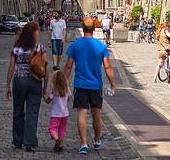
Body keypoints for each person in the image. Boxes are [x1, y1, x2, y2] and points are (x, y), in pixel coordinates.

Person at [64, 17, 116, 155]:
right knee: (96, 114)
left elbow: (68, 66)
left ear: (82, 27)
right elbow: (107, 67)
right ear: (94, 28)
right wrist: (112, 84)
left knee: (82, 113)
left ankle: (83, 143)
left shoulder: (75, 45)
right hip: (96, 85)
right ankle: (97, 140)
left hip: (80, 84)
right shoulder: (101, 46)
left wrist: (64, 82)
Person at [6, 21, 49, 151]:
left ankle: (18, 141)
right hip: (35, 82)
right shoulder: (40, 48)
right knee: (32, 112)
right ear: (34, 33)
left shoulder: (16, 47)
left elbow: (11, 67)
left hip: (19, 81)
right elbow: (45, 69)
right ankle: (29, 143)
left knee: (18, 111)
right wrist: (44, 88)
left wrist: (8, 85)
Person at [43, 70, 71, 152]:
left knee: (51, 128)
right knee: (62, 129)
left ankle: (57, 140)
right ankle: (60, 143)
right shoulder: (67, 89)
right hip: (65, 114)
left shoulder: (54, 91)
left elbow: (48, 101)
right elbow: (68, 99)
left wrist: (43, 96)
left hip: (56, 114)